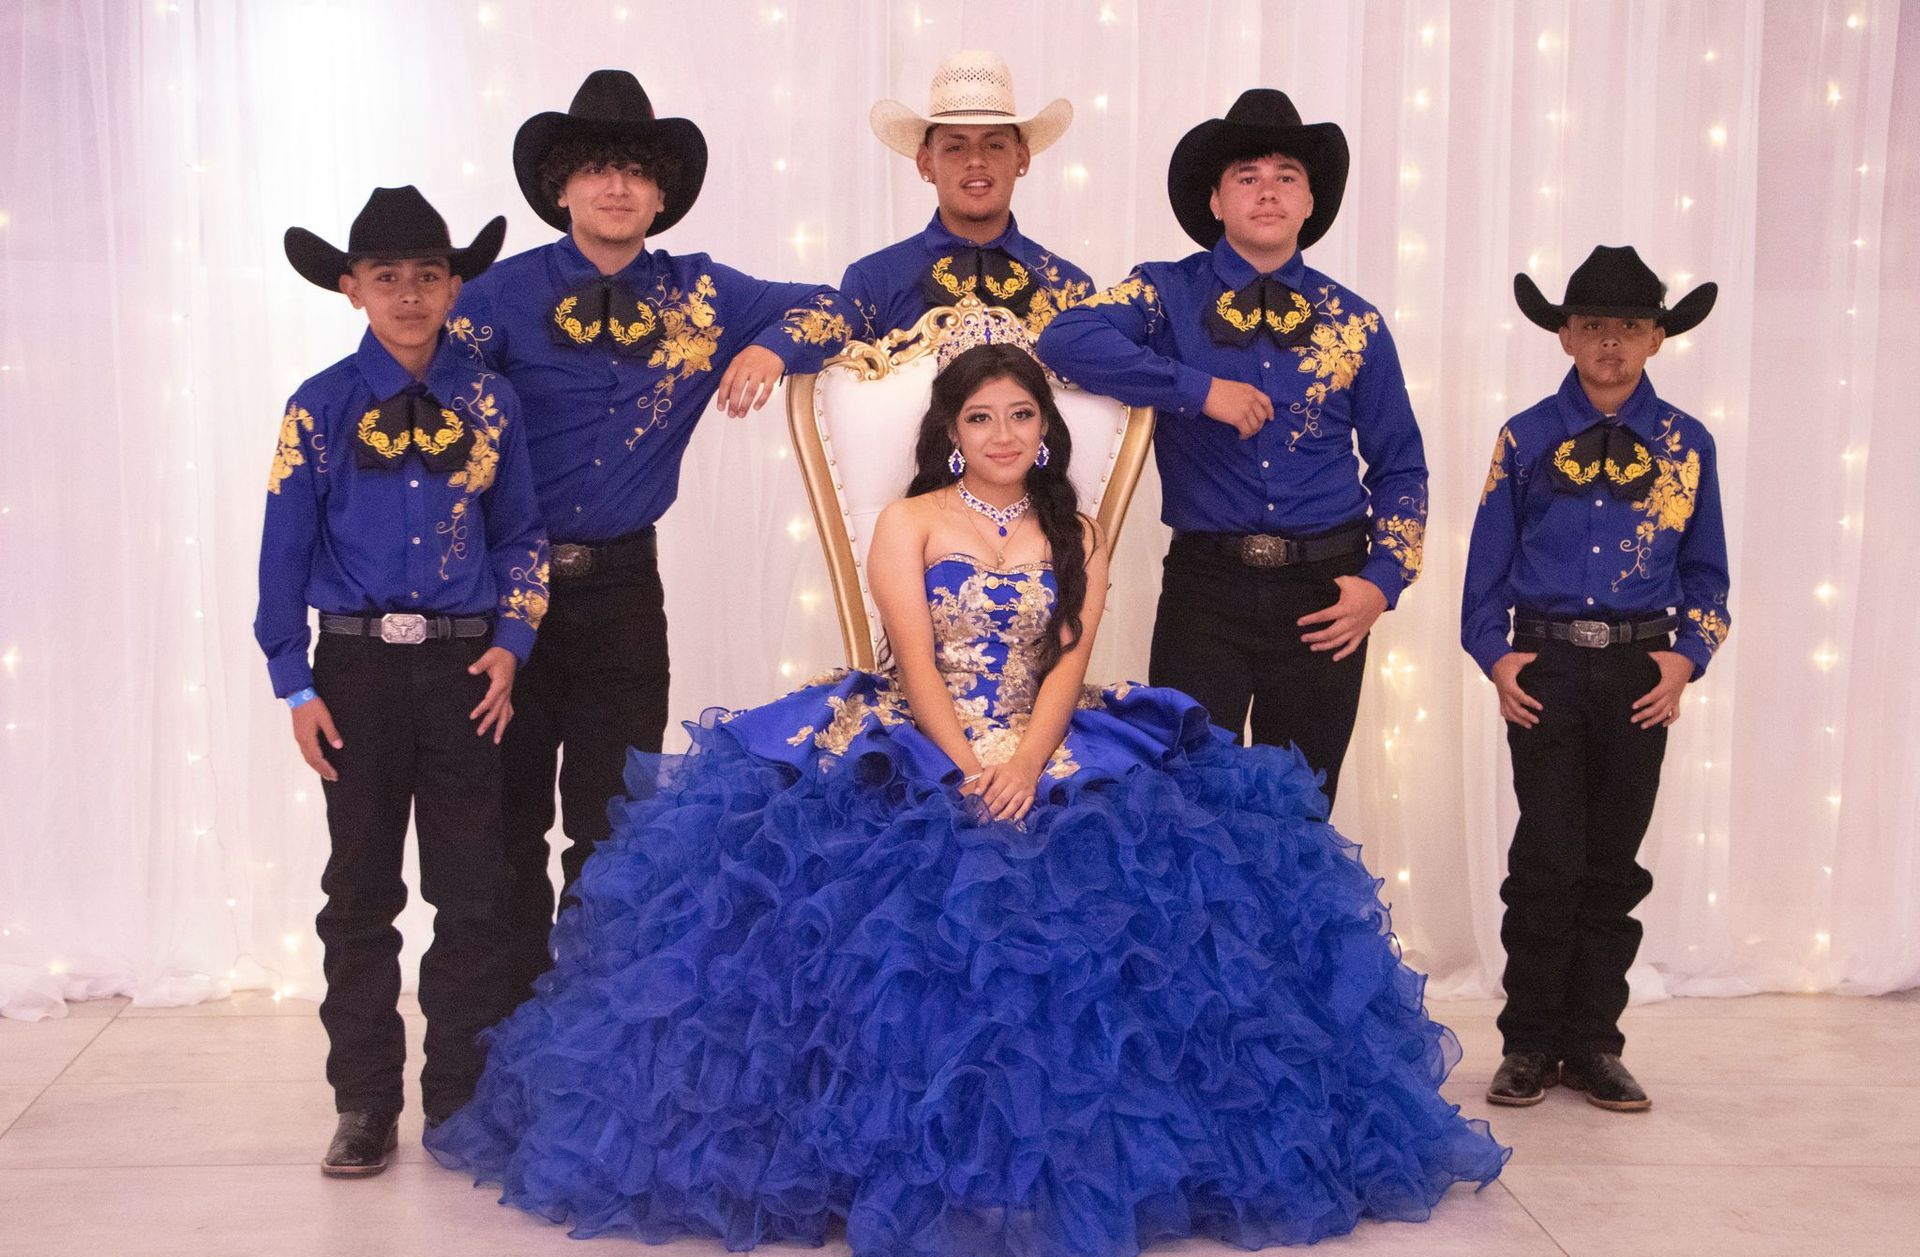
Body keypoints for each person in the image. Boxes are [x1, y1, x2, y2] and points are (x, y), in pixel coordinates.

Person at [425, 331, 1506, 1257]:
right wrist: (963, 761)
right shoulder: (910, 519)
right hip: (921, 727)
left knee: (1163, 883)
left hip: (1044, 731)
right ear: (951, 428)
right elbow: (912, 658)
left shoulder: (1071, 527)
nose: (1002, 432)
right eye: (981, 415)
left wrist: (1031, 761)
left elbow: (1069, 662)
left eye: (1021, 414)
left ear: (1044, 429)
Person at [446, 70, 858, 1002]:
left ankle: (585, 1032)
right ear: (561, 187)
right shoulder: (495, 298)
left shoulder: (703, 294)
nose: (617, 187)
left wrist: (769, 346)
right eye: (596, 168)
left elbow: (836, 308)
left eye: (635, 170)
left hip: (625, 599)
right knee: (503, 825)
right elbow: (432, 434)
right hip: (501, 597)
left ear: (662, 194)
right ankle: (496, 1032)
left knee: (616, 822)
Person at [255, 185, 550, 1176]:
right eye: (388, 277)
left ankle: (458, 1098)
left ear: (455, 283)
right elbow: (280, 558)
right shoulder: (318, 407)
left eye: (428, 275)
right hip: (356, 668)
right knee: (360, 890)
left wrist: (511, 638)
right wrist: (296, 683)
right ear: (352, 289)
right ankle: (366, 1101)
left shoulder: (491, 401)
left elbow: (521, 536)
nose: (410, 294)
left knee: (474, 888)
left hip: (465, 667)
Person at [1038, 89, 1428, 804]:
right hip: (1205, 592)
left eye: (1286, 175)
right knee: (1189, 802)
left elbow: (1401, 465)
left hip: (1325, 592)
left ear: (1311, 201)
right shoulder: (1162, 294)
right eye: (1246, 176)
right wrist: (1196, 388)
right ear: (1215, 201)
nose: (1268, 191)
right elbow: (1064, 339)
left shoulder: (1357, 323)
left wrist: (1384, 581)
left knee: (1300, 809)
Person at [1463, 245, 1732, 1112]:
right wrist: (1495, 654)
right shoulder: (1526, 438)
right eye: (1590, 326)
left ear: (1657, 338)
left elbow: (1708, 573)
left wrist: (1686, 656)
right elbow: (1485, 566)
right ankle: (1530, 1044)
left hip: (1636, 671)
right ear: (1565, 337)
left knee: (1612, 863)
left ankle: (1595, 1043)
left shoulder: (1688, 444)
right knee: (1546, 857)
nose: (1609, 342)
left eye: (1628, 326)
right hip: (1544, 664)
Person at [840, 50, 1092, 341]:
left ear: (1022, 158)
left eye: (995, 145)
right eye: (955, 148)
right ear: (925, 163)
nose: (975, 161)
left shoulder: (1071, 289)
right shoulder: (874, 281)